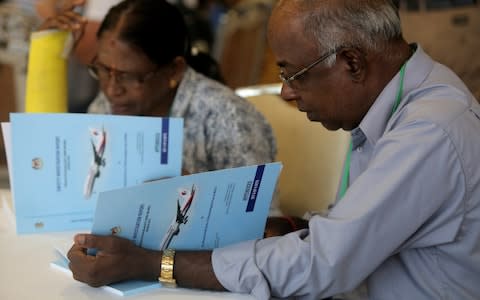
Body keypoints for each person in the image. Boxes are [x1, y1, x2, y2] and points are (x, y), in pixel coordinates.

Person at [67, 0, 480, 299]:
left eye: (294, 74)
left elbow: (322, 264)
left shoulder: (430, 131)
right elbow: (365, 232)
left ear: (352, 63)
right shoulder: (401, 99)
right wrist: (296, 228)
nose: (284, 92)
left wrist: (152, 264)